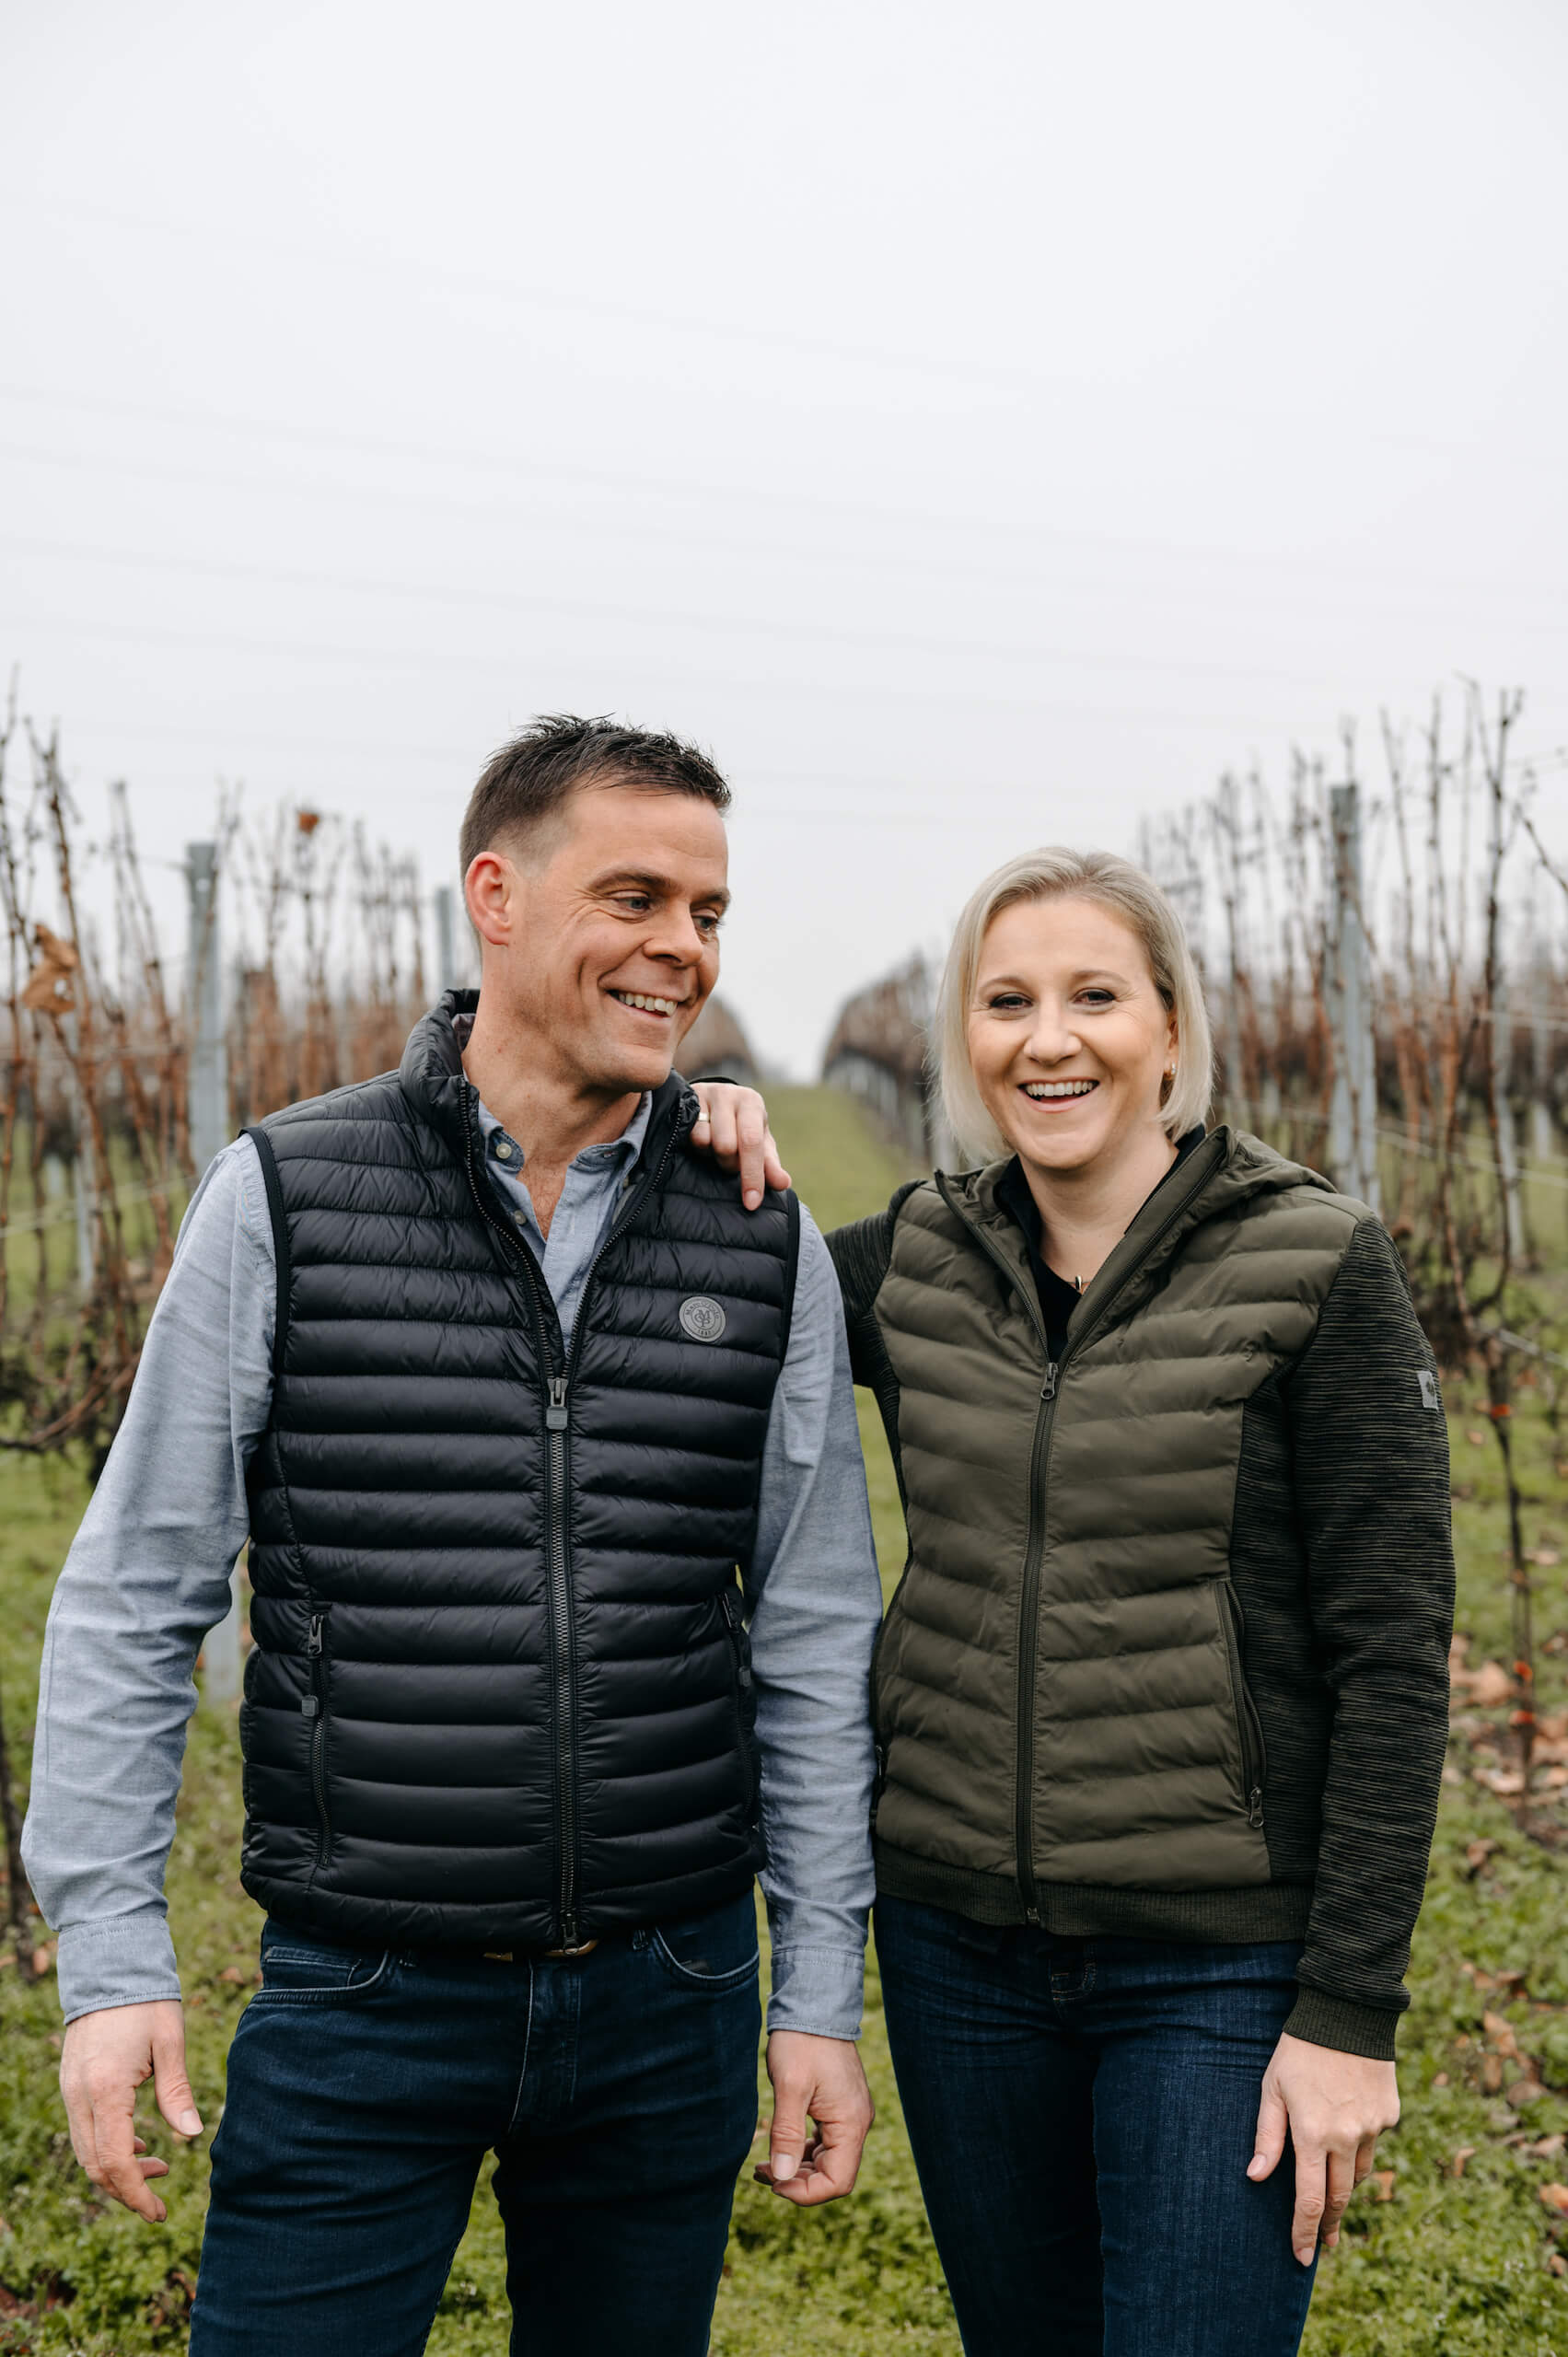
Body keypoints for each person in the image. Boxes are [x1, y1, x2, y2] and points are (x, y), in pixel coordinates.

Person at [22, 715, 882, 2357]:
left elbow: (819, 1628)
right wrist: (116, 1954)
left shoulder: (762, 1237)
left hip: (671, 1993)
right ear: (494, 891)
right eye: (634, 895)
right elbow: (136, 1591)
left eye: (707, 912)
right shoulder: (285, 1197)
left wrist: (817, 1989)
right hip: (366, 1997)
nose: (680, 947)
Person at [714, 845, 1454, 2357]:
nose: (1048, 1038)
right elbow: (693, 1271)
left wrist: (1348, 2012)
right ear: (966, 1044)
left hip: (1217, 1959)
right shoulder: (912, 1257)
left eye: (1093, 995)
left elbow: (1393, 1659)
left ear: (1170, 1028)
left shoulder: (1314, 1262)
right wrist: (694, 1118)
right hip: (955, 1942)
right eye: (1006, 1002)